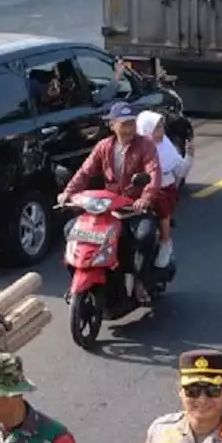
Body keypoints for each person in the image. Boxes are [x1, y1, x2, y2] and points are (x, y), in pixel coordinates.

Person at [59, 102, 162, 302]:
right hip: (108, 207)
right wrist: (68, 192)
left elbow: (154, 172)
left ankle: (141, 282)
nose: (129, 128)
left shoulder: (145, 145)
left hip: (134, 207)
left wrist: (145, 198)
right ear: (113, 125)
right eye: (124, 124)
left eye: (132, 123)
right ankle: (79, 282)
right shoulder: (103, 146)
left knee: (144, 235)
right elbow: (84, 172)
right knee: (70, 230)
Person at [135, 111, 195, 270]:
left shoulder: (167, 148)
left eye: (161, 128)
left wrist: (189, 156)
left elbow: (181, 172)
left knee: (160, 202)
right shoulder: (134, 148)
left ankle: (166, 242)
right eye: (156, 128)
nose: (161, 132)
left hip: (163, 191)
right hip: (138, 191)